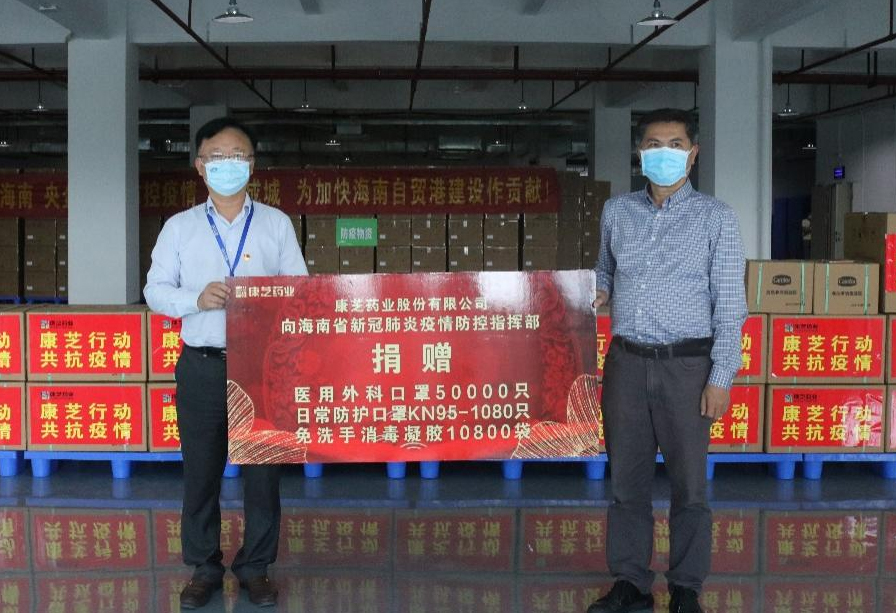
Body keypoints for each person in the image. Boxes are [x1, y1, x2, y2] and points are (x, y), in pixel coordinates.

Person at [586, 109, 747, 613]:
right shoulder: (617, 211)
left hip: (687, 367)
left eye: (675, 144)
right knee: (626, 483)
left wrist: (721, 376)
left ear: (692, 154)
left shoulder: (716, 218)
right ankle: (631, 582)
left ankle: (686, 587)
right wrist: (599, 289)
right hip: (627, 364)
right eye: (654, 144)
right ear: (640, 154)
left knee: (689, 486)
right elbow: (604, 269)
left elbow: (730, 304)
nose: (664, 153)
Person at [145, 117, 308, 609]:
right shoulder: (179, 228)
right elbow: (155, 291)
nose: (228, 165)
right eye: (217, 157)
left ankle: (256, 567)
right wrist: (196, 299)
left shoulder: (276, 224)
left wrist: (267, 302)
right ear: (200, 166)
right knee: (201, 472)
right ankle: (203, 567)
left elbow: (300, 290)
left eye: (238, 156)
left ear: (252, 165)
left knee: (263, 474)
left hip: (262, 366)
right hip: (203, 364)